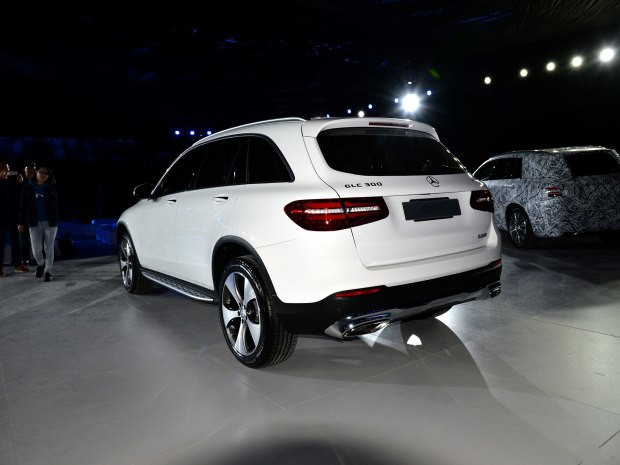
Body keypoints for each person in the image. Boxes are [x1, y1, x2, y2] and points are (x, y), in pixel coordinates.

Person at [18, 164, 59, 282]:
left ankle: (48, 272)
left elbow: (56, 205)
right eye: (41, 172)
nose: (43, 175)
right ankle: (41, 263)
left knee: (49, 248)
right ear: (36, 173)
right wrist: (20, 222)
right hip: (34, 223)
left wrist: (56, 217)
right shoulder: (28, 188)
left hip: (50, 223)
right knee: (36, 249)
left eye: (46, 173)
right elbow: (22, 207)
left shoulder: (50, 188)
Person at [0, 162, 27, 277]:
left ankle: (17, 265)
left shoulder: (11, 181)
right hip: (0, 217)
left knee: (16, 241)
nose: (6, 170)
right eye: (4, 168)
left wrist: (20, 183)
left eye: (8, 168)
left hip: (12, 216)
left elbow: (18, 196)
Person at [18, 162, 37, 267]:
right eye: (27, 171)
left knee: (36, 240)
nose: (28, 173)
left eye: (31, 171)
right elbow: (21, 205)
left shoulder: (39, 183)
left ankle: (36, 258)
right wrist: (20, 222)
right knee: (24, 240)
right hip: (25, 217)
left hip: (36, 217)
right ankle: (25, 259)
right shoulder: (22, 184)